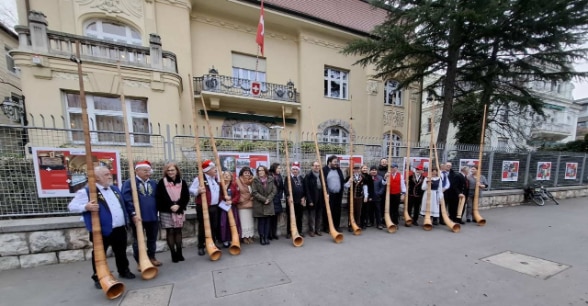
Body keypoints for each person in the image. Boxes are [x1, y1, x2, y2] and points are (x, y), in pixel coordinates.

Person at [68, 166, 135, 289]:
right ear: (97, 178)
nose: (110, 176)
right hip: (101, 230)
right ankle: (99, 277)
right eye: (106, 174)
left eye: (109, 174)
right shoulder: (87, 191)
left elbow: (122, 205)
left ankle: (123, 270)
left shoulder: (115, 189)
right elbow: (71, 206)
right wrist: (86, 207)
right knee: (99, 254)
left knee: (121, 251)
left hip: (119, 228)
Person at [122, 160, 161, 268]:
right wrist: (133, 214)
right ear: (137, 171)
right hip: (138, 217)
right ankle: (140, 261)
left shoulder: (153, 183)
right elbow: (127, 200)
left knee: (152, 238)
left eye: (149, 170)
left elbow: (158, 198)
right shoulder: (130, 183)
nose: (148, 173)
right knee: (138, 240)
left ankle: (151, 257)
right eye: (145, 171)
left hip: (152, 216)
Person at [155, 162, 190, 263]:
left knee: (178, 231)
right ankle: (173, 254)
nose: (170, 172)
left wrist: (179, 205)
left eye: (172, 170)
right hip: (166, 210)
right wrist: (171, 206)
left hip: (179, 210)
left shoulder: (182, 182)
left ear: (177, 171)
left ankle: (179, 252)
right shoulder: (162, 182)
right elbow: (161, 197)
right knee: (170, 231)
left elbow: (186, 196)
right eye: (168, 170)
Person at [189, 160, 222, 256]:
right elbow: (191, 189)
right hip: (203, 206)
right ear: (207, 170)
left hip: (215, 206)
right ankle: (201, 246)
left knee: (214, 226)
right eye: (212, 168)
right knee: (203, 227)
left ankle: (212, 243)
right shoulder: (200, 178)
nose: (215, 169)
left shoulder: (214, 178)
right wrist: (198, 191)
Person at [251, 165, 277, 245]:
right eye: (259, 170)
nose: (260, 172)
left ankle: (266, 237)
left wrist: (269, 199)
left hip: (269, 203)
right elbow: (254, 192)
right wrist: (264, 199)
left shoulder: (271, 179)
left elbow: (274, 190)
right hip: (259, 204)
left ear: (265, 171)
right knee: (261, 222)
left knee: (267, 221)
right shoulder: (255, 180)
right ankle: (262, 238)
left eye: (262, 170)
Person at [323, 155, 345, 232]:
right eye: (335, 162)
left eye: (337, 162)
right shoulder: (324, 170)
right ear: (329, 162)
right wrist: (326, 192)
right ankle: (327, 227)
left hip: (338, 194)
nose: (336, 163)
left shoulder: (338, 170)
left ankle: (336, 226)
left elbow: (342, 181)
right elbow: (323, 183)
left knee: (337, 211)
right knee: (328, 211)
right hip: (329, 195)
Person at [219, 171, 241, 248]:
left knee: (234, 223)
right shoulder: (220, 185)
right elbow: (218, 196)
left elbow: (237, 196)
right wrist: (224, 198)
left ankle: (234, 239)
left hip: (232, 207)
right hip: (224, 207)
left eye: (228, 175)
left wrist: (232, 201)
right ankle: (225, 240)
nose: (227, 176)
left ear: (231, 177)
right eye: (225, 175)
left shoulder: (234, 185)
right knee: (224, 224)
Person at [285, 161, 306, 238]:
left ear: (298, 170)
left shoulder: (301, 178)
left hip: (300, 201)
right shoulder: (288, 178)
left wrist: (303, 197)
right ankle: (289, 232)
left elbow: (304, 189)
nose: (294, 171)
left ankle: (299, 231)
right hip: (291, 201)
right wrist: (288, 196)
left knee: (299, 217)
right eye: (293, 169)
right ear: (291, 170)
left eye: (296, 169)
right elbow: (286, 188)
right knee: (290, 217)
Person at [345, 164, 368, 231]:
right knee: (351, 211)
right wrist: (349, 181)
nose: (356, 170)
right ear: (353, 170)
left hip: (359, 197)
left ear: (359, 170)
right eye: (355, 169)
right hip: (351, 197)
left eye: (358, 169)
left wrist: (366, 196)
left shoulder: (363, 177)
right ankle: (350, 225)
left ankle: (357, 225)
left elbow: (365, 187)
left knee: (358, 211)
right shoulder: (349, 177)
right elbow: (346, 186)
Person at [304, 161, 324, 237]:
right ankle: (311, 230)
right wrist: (309, 200)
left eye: (318, 166)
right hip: (312, 198)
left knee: (319, 215)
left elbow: (325, 186)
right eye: (315, 166)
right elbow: (307, 190)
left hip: (320, 198)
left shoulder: (321, 176)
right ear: (312, 167)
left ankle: (318, 230)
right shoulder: (308, 176)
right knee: (312, 216)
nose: (317, 167)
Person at [236, 167, 255, 244]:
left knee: (250, 221)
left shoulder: (252, 181)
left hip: (250, 204)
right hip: (242, 205)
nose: (247, 174)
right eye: (245, 173)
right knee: (243, 222)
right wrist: (245, 199)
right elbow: (237, 193)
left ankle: (250, 236)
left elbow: (254, 191)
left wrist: (253, 197)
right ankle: (244, 237)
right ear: (242, 173)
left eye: (248, 173)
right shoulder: (238, 181)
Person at [268, 163, 285, 240]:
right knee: (270, 218)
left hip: (277, 199)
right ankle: (269, 234)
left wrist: (280, 195)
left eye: (280, 168)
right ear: (274, 168)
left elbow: (281, 187)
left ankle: (274, 233)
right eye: (278, 168)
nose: (279, 170)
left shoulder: (279, 176)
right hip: (270, 199)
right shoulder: (269, 176)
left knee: (275, 218)